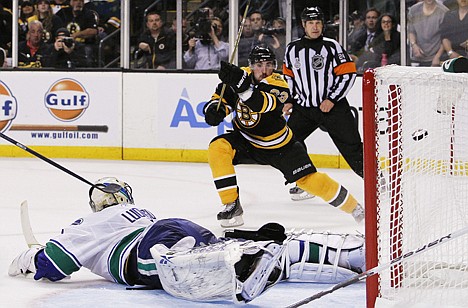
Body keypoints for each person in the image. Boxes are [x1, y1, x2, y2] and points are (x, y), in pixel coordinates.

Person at [8, 177, 366, 303]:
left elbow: (55, 265)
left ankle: (238, 275)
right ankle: (349, 255)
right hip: (176, 225)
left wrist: (30, 257)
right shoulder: (137, 210)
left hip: (148, 247)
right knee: (233, 251)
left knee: (172, 268)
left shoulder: (89, 221)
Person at [203, 45, 365, 228]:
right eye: (258, 65)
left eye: (268, 64)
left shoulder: (279, 84)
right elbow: (221, 99)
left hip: (280, 146)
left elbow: (259, 104)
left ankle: (355, 208)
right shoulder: (239, 76)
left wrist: (241, 85)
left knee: (310, 181)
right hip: (246, 140)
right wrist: (214, 110)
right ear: (250, 65)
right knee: (218, 147)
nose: (264, 70)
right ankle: (231, 204)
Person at [282, 7, 363, 201]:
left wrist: (332, 99)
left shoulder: (332, 46)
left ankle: (379, 184)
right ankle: (308, 181)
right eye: (310, 23)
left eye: (318, 22)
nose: (315, 27)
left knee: (352, 149)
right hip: (304, 109)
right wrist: (291, 99)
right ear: (303, 25)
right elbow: (290, 77)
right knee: (289, 143)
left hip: (333, 109)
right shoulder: (292, 49)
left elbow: (348, 73)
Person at [56, 0, 99, 67]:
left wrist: (76, 35)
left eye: (81, 1)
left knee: (87, 51)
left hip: (83, 44)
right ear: (71, 2)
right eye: (75, 0)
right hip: (64, 42)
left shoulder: (88, 13)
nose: (78, 3)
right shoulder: (63, 12)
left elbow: (93, 31)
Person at [408, 0, 449, 67]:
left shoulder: (444, 11)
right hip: (417, 57)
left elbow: (446, 38)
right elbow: (411, 31)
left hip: (436, 58)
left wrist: (437, 57)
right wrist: (414, 45)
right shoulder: (413, 10)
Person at [349, 7, 381, 72]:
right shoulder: (358, 37)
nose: (371, 20)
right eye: (368, 18)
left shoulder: (382, 36)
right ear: (365, 21)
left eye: (374, 18)